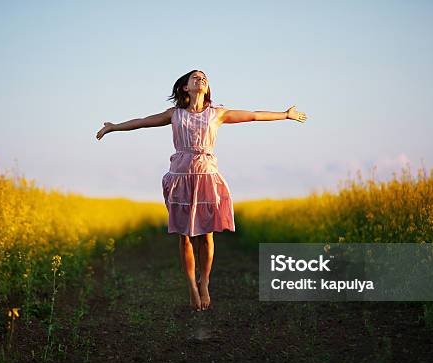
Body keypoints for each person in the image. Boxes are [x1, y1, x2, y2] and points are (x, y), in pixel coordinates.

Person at [95, 69, 307, 312]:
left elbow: (254, 115)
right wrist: (113, 127)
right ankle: (191, 286)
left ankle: (204, 281)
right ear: (185, 87)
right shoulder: (174, 114)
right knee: (185, 236)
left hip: (207, 176)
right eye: (195, 77)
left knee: (206, 234)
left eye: (204, 78)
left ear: (207, 88)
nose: (201, 79)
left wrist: (285, 115)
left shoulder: (217, 114)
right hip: (180, 178)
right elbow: (142, 122)